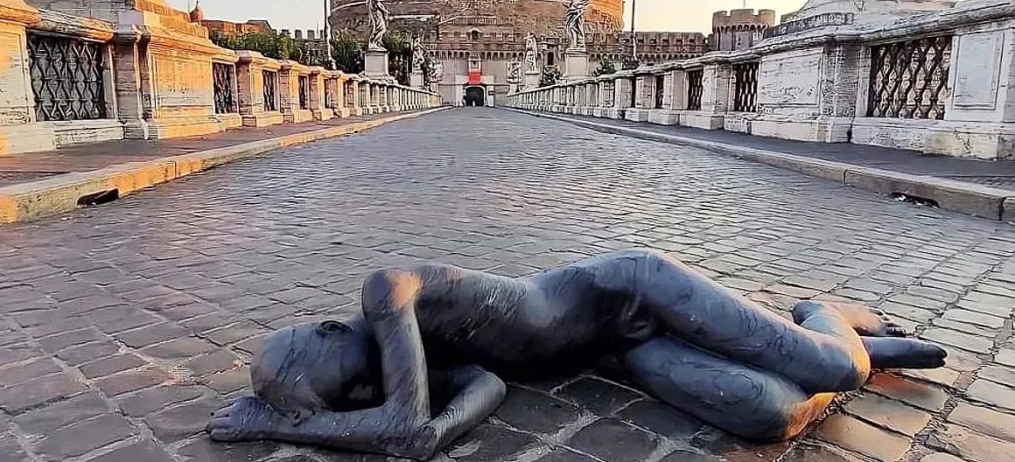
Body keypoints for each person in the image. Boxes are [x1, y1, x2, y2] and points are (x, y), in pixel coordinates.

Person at [208, 249, 946, 460]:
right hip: (621, 352)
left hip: (636, 292)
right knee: (769, 412)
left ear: (329, 331)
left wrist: (277, 425)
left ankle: (825, 316)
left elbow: (404, 428)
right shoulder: (407, 362)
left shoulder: (388, 292)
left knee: (838, 370)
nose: (366, 386)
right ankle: (809, 341)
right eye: (355, 393)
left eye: (348, 381)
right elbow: (480, 390)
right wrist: (437, 424)